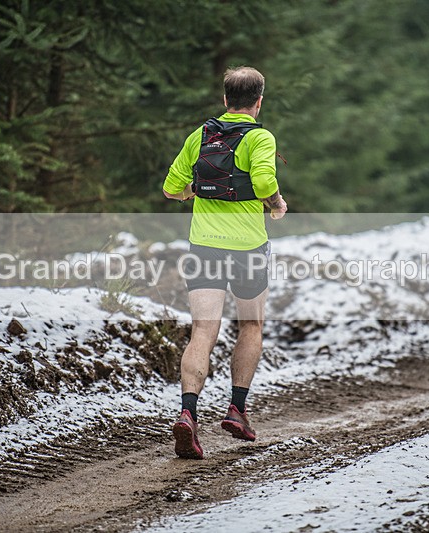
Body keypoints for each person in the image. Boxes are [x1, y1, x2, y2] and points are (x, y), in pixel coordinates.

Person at [162, 66, 287, 459]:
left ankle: (188, 414)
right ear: (259, 101)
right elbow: (265, 182)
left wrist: (191, 194)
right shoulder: (260, 136)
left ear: (225, 100)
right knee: (250, 325)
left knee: (203, 331)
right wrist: (277, 204)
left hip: (204, 247)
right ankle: (237, 409)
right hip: (248, 248)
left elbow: (170, 187)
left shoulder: (200, 136)